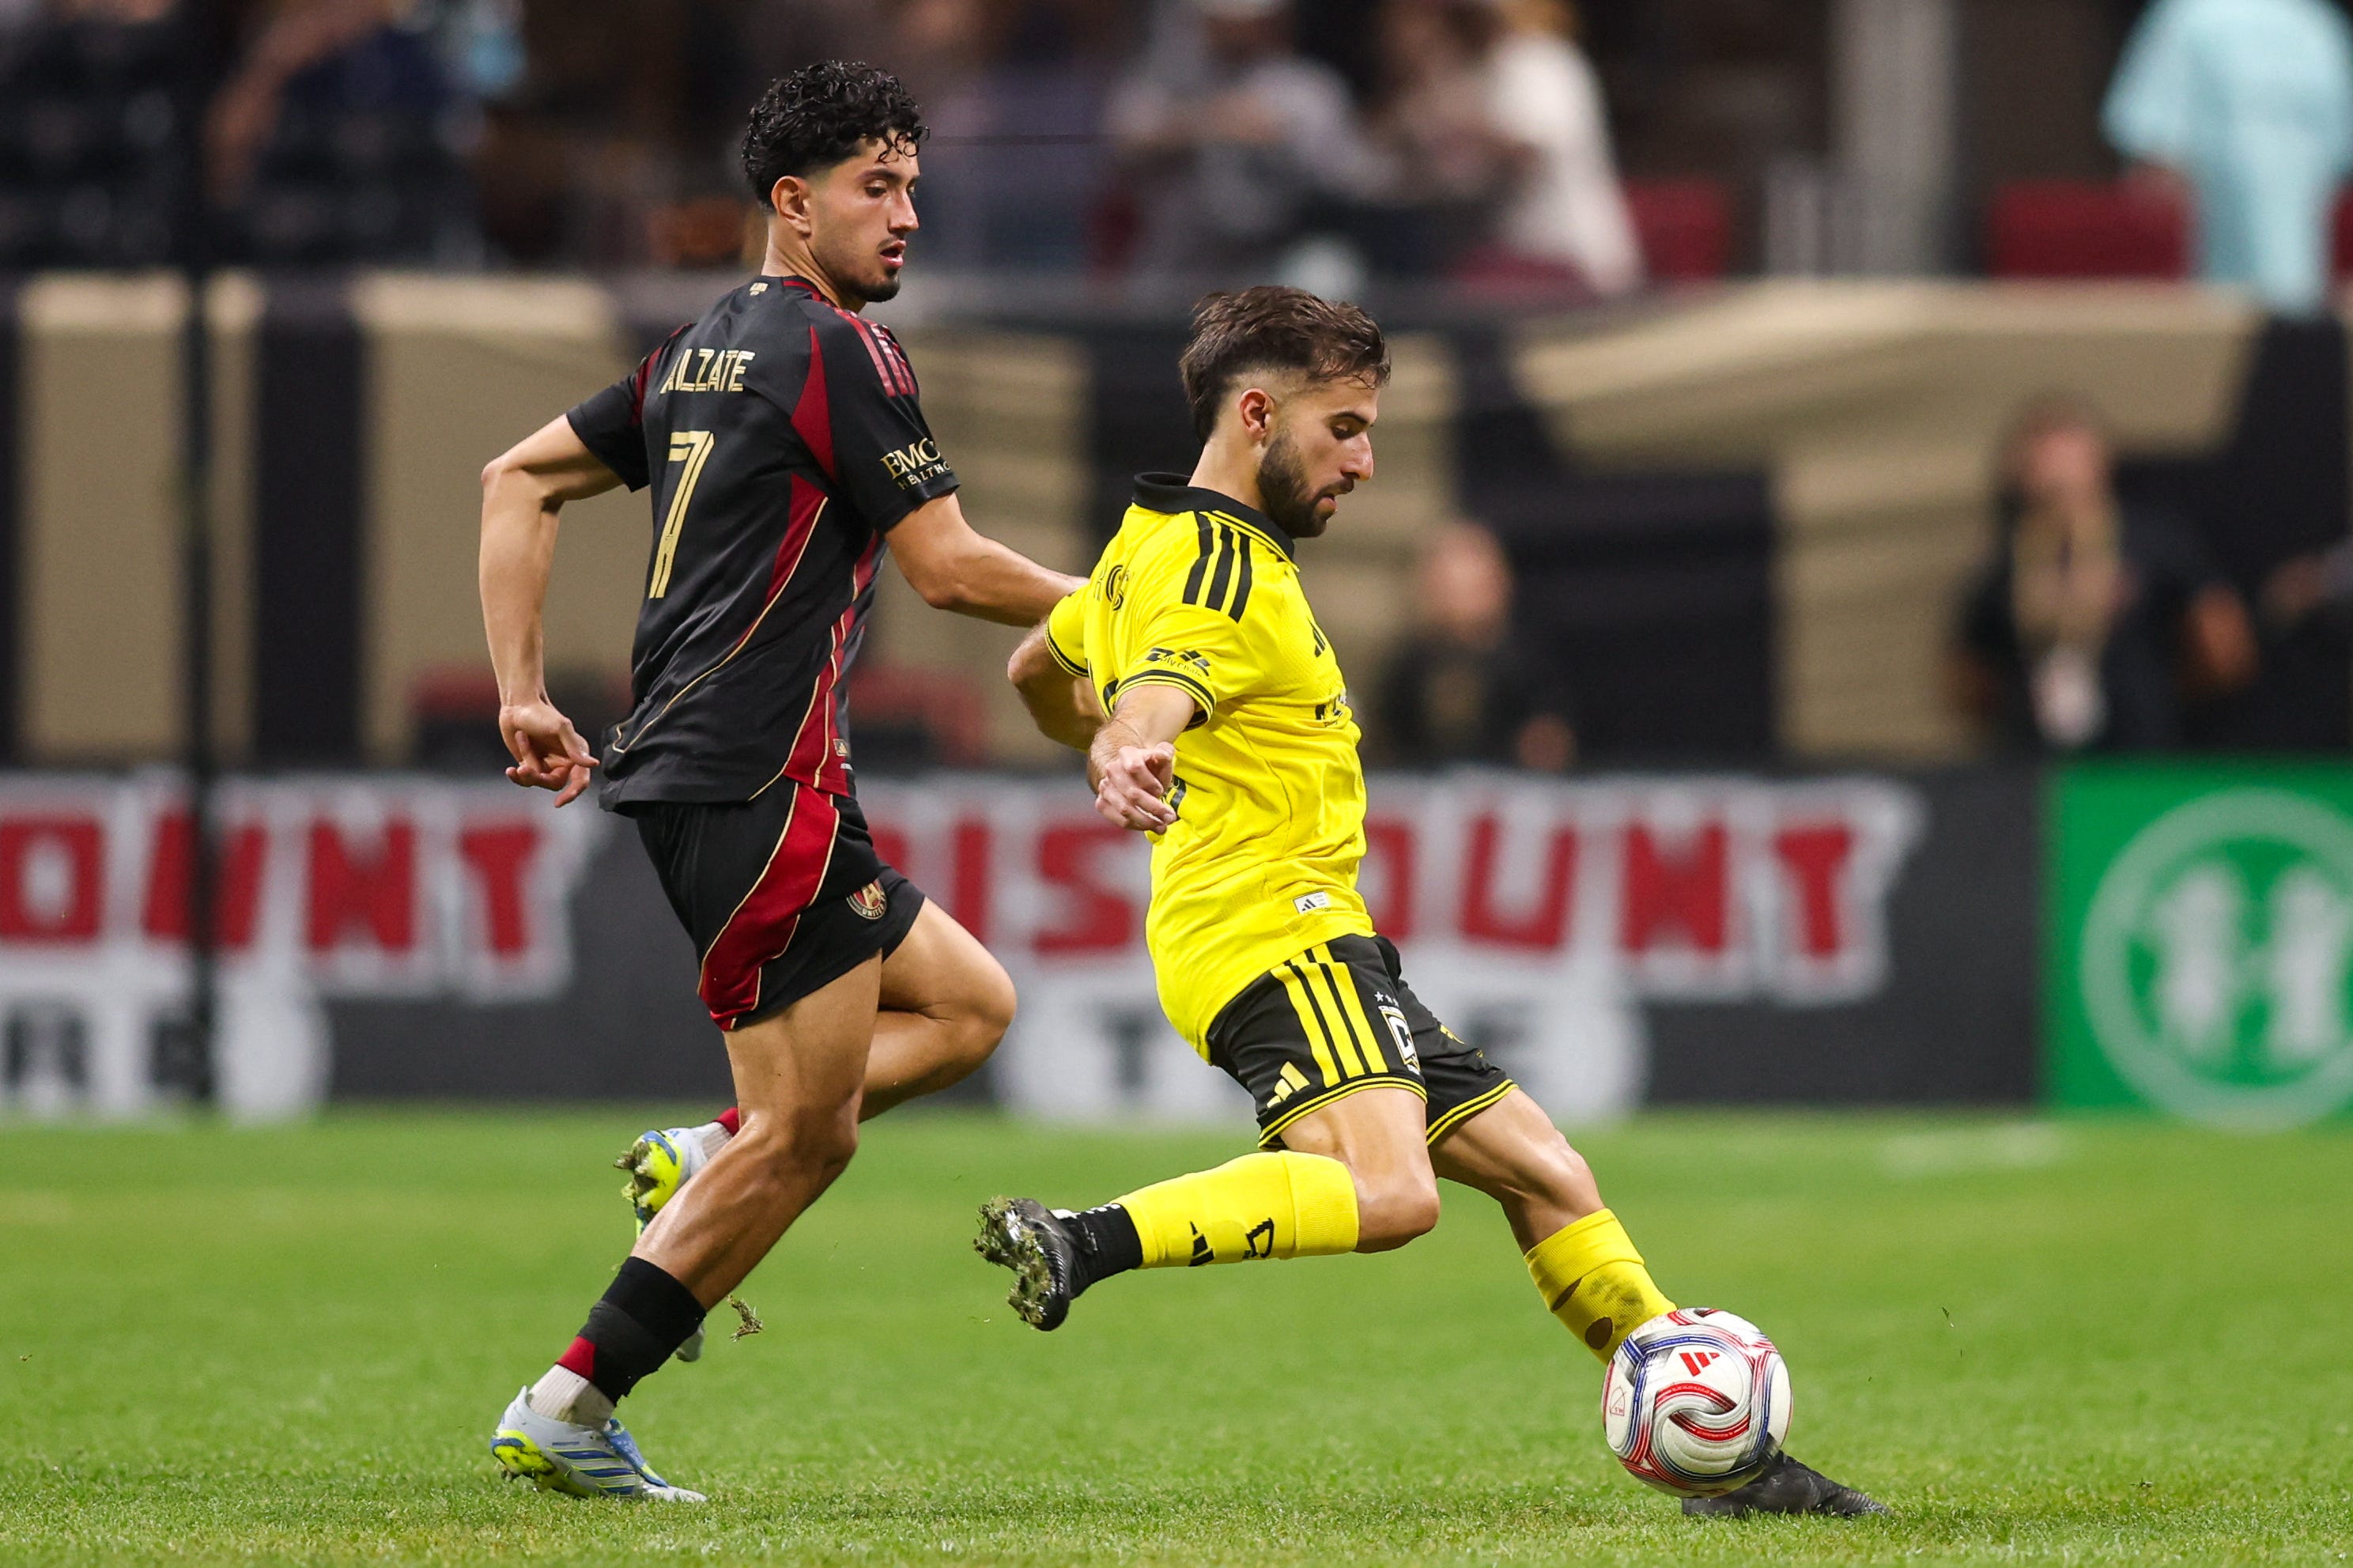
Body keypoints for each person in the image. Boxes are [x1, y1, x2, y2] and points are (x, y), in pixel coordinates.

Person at [986, 285, 1882, 1518]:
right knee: (1393, 1193)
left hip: (1299, 935)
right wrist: (1129, 740)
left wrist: (1097, 732)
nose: (1364, 460)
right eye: (1345, 428)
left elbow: (1036, 662)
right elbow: (1156, 694)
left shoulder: (1148, 542)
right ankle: (1082, 1238)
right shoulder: (1220, 575)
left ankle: (1734, 1467)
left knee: (1547, 1171)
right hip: (1275, 934)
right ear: (1259, 415)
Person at [474, 61, 1082, 1502]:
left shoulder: (698, 348)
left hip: (741, 770)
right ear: (794, 203)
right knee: (811, 1133)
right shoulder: (840, 350)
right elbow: (949, 567)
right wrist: (1134, 601)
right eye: (879, 187)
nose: (908, 213)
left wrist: (522, 690)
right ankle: (570, 1398)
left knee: (969, 1005)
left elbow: (516, 480)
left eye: (914, 185)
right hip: (756, 773)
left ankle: (707, 1150)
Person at [1953, 399, 2257, 754]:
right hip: (2034, 758)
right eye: (2042, 457)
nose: (2057, 472)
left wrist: (2163, 696)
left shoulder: (2153, 540)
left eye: (2067, 455)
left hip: (2139, 754)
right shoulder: (2006, 557)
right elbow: (1968, 674)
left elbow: (2225, 648)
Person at [2103, 0, 2353, 316]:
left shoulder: (2316, 26)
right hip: (2214, 289)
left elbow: (2155, 164)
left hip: (2301, 293)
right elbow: (2157, 156)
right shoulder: (2317, 25)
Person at [1106, 0, 1388, 278]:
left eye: (1244, 20)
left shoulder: (1308, 89)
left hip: (1278, 257)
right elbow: (1125, 141)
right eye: (1221, 19)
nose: (1232, 29)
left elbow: (1352, 175)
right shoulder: (1165, 81)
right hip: (1182, 260)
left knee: (1327, 271)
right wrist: (1206, 123)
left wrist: (1284, 140)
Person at [1371, 518, 1575, 769]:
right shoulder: (1407, 668)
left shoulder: (1527, 665)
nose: (1457, 597)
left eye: (1469, 583)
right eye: (1446, 582)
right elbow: (1385, 744)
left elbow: (1551, 740)